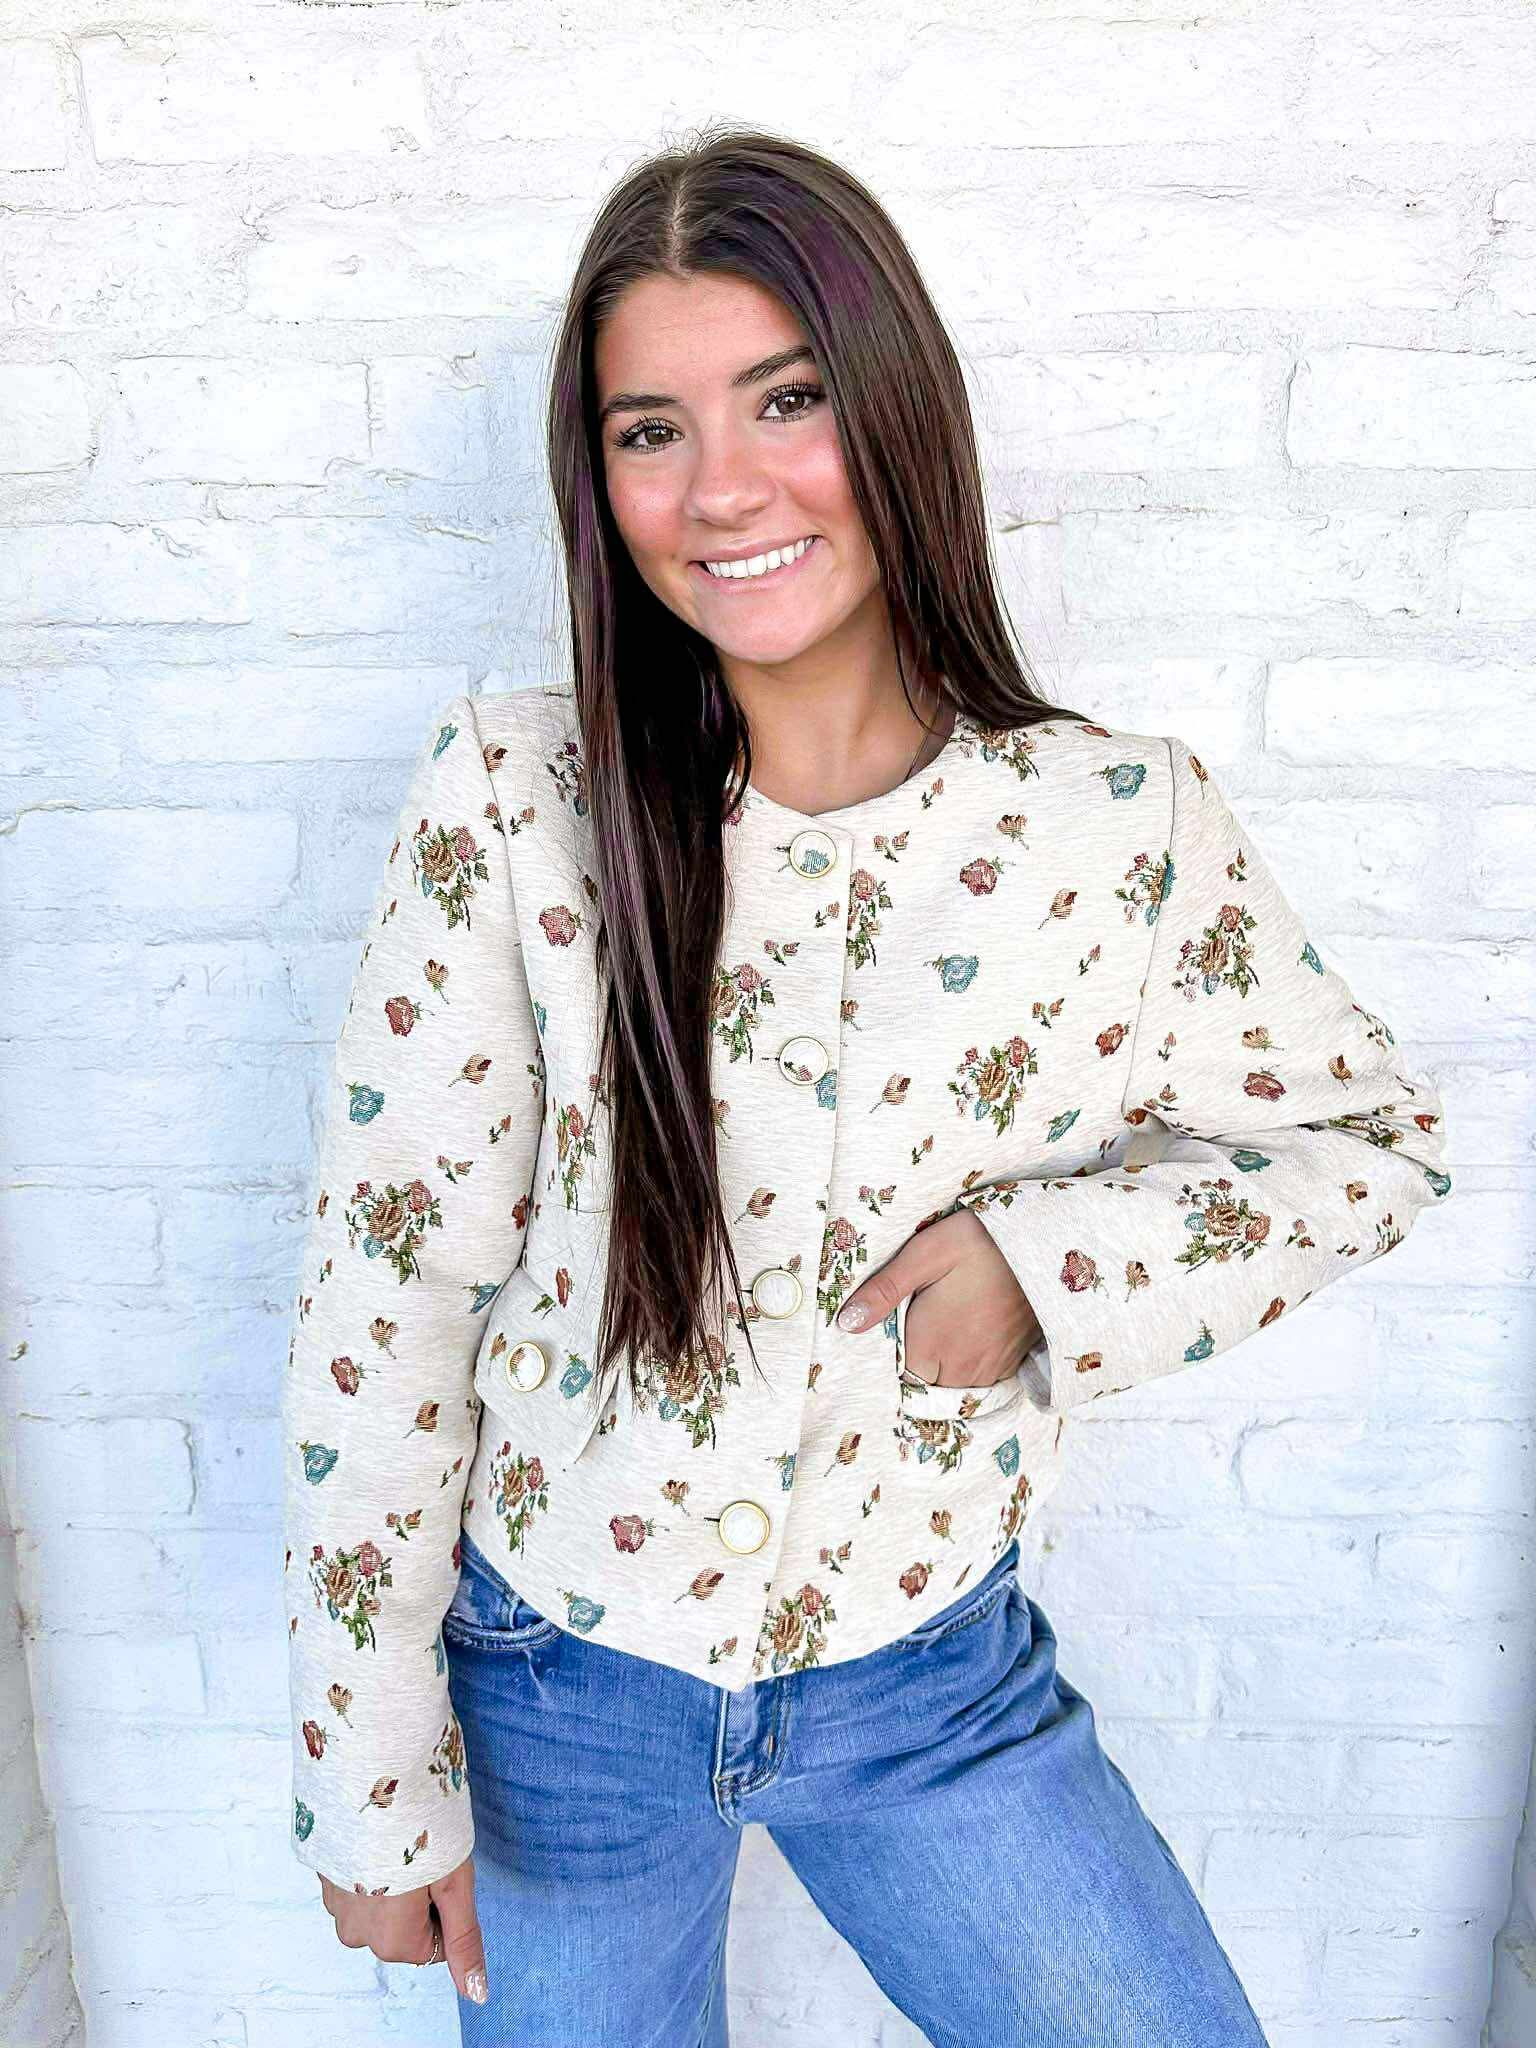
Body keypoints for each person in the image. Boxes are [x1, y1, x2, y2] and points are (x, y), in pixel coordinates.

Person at [281, 126, 1451, 2045]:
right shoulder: (515, 797)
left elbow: (1368, 1143)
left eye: (787, 400)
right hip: (556, 1685)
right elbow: (389, 1288)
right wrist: (366, 1769)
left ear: (894, 408)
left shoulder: (1119, 824)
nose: (721, 488)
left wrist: (1046, 1268)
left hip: (929, 1682)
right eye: (649, 430)